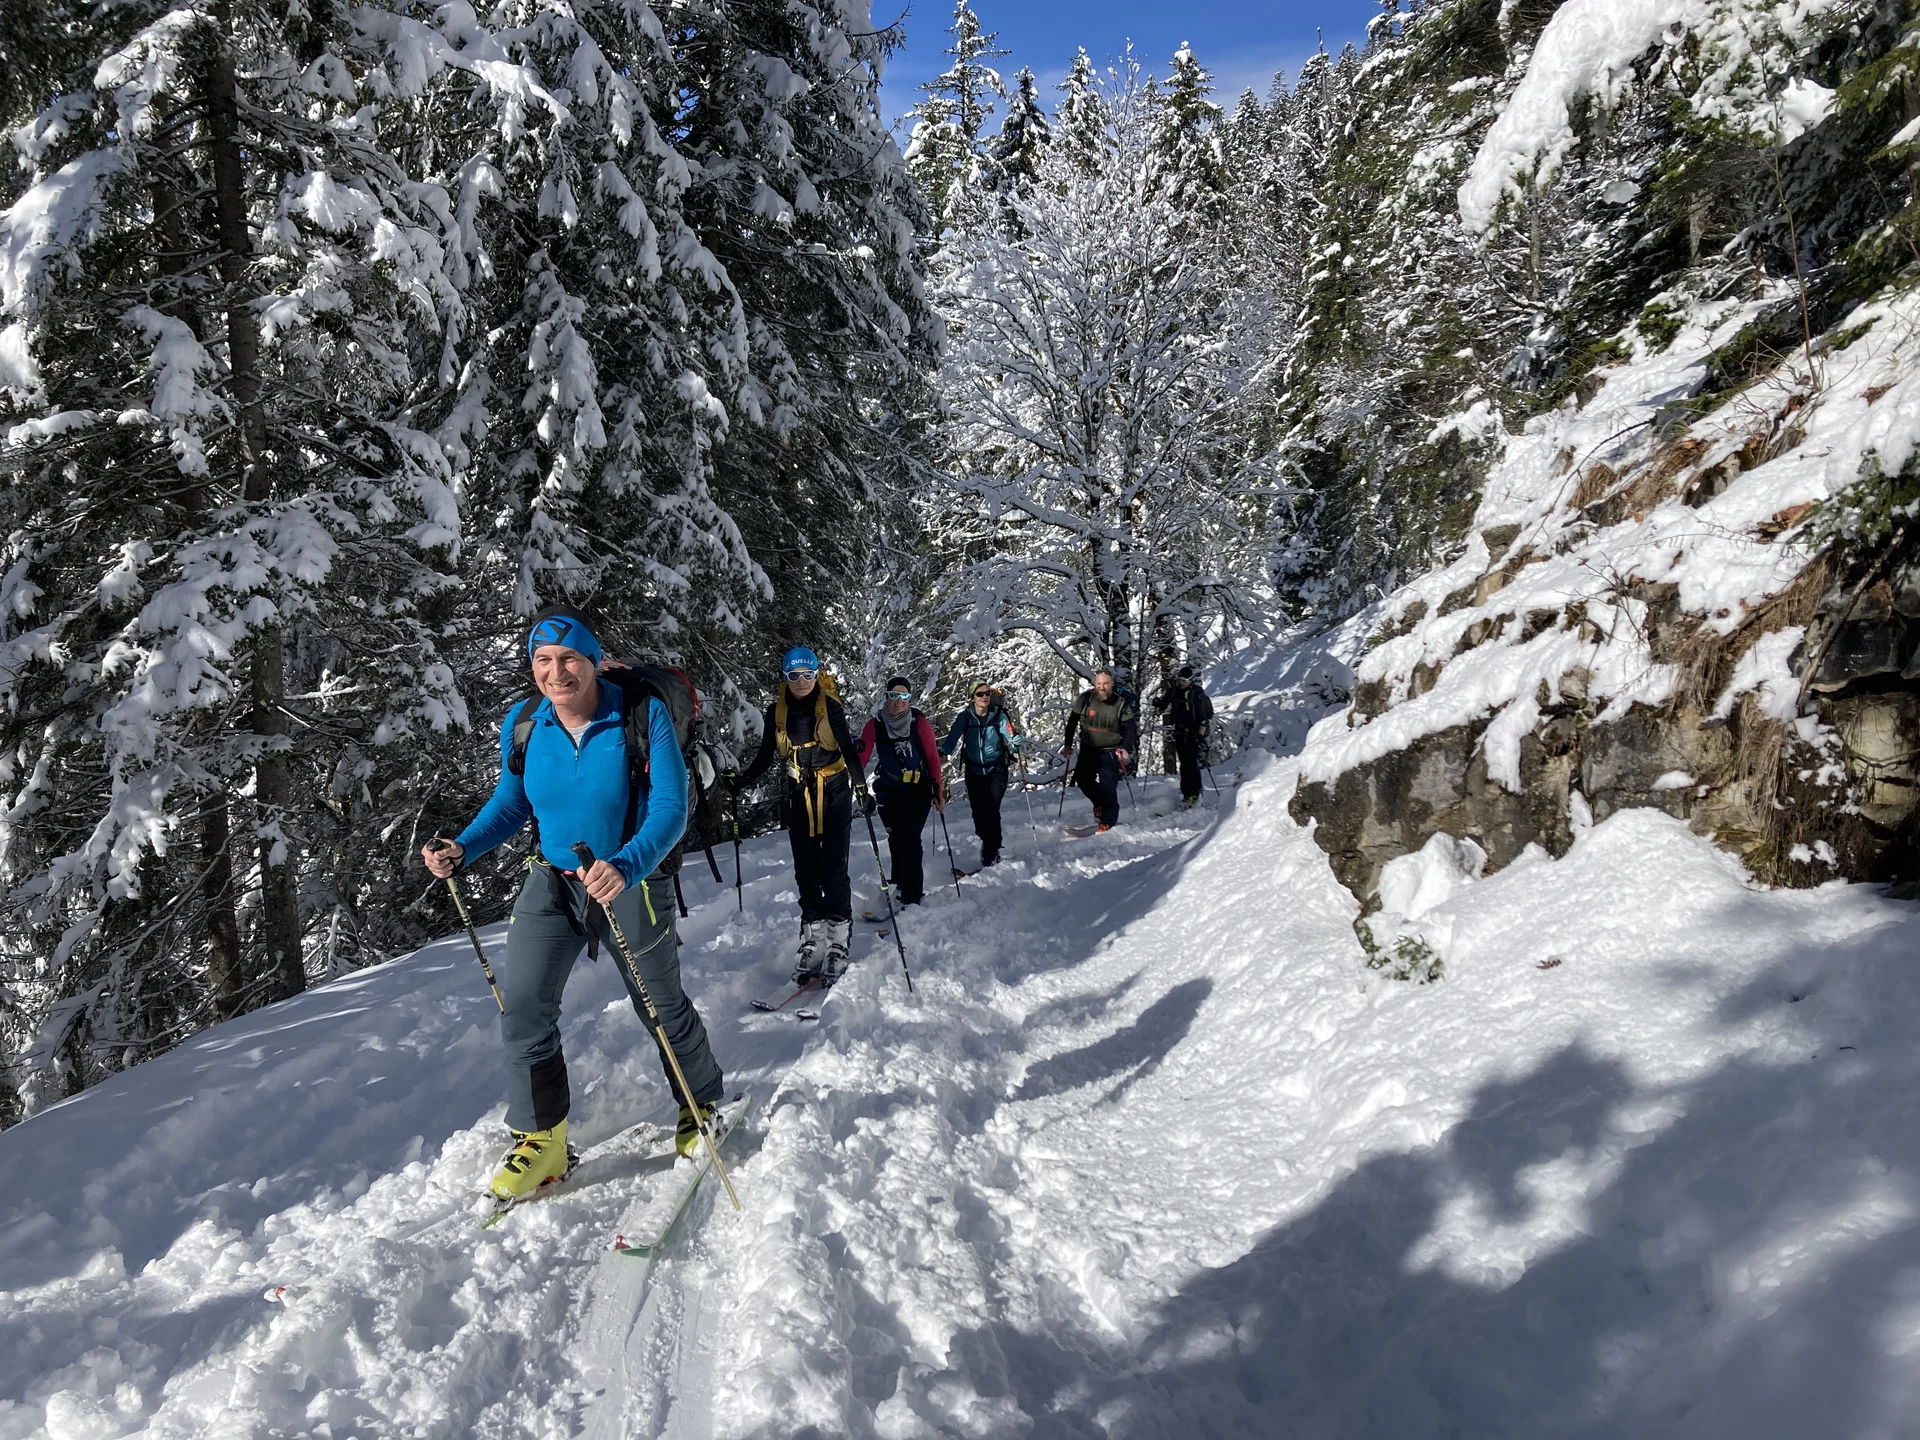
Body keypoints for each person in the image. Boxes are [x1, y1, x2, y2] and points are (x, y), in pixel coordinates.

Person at [422, 605, 725, 1201]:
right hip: (553, 879)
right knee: (526, 1008)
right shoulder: (527, 721)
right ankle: (542, 1138)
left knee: (658, 1002)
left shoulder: (641, 714)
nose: (556, 672)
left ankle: (700, 1102)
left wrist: (627, 864)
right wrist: (463, 847)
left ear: (592, 661)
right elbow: (512, 803)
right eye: (542, 660)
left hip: (629, 879)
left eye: (569, 659)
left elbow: (671, 806)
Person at [735, 646, 869, 985]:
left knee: (833, 867)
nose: (801, 681)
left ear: (816, 675)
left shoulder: (830, 707)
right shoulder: (776, 711)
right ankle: (814, 935)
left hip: (835, 791)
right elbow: (767, 754)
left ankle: (839, 938)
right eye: (793, 675)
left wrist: (863, 789)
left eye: (807, 675)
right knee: (806, 869)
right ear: (785, 677)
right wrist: (743, 780)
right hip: (799, 795)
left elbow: (850, 751)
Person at [856, 676, 944, 904]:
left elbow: (933, 758)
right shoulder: (874, 725)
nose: (898, 701)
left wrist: (938, 790)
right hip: (890, 793)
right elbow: (861, 759)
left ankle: (912, 894)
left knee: (910, 839)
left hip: (918, 791)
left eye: (903, 696)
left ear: (909, 698)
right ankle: (899, 887)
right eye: (894, 695)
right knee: (896, 840)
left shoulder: (918, 723)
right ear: (886, 696)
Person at [942, 679, 1021, 867]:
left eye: (987, 694)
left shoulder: (999, 716)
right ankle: (988, 841)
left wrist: (1015, 743)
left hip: (997, 769)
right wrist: (941, 753)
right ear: (973, 698)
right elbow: (951, 739)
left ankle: (991, 850)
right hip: (974, 770)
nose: (985, 697)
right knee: (978, 812)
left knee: (992, 809)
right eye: (980, 694)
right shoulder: (965, 718)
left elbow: (1010, 738)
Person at [1063, 669, 1138, 831]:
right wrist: (1067, 744)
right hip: (1088, 749)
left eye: (1105, 683)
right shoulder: (1085, 699)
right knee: (1083, 781)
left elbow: (1130, 728)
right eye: (1098, 683)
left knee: (1108, 788)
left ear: (1111, 683)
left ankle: (1108, 821)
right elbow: (1072, 721)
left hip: (1109, 751)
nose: (1101, 687)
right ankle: (1100, 804)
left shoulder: (1120, 703)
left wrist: (1125, 747)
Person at [1152, 665, 1215, 806]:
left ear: (1190, 680)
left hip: (1194, 733)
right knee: (1184, 764)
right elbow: (1163, 703)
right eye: (1179, 679)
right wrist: (1158, 704)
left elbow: (1203, 717)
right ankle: (1187, 794)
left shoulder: (1197, 694)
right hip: (1180, 732)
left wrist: (1200, 735)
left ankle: (1196, 792)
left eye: (1184, 680)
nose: (1181, 682)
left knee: (1191, 764)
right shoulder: (1174, 691)